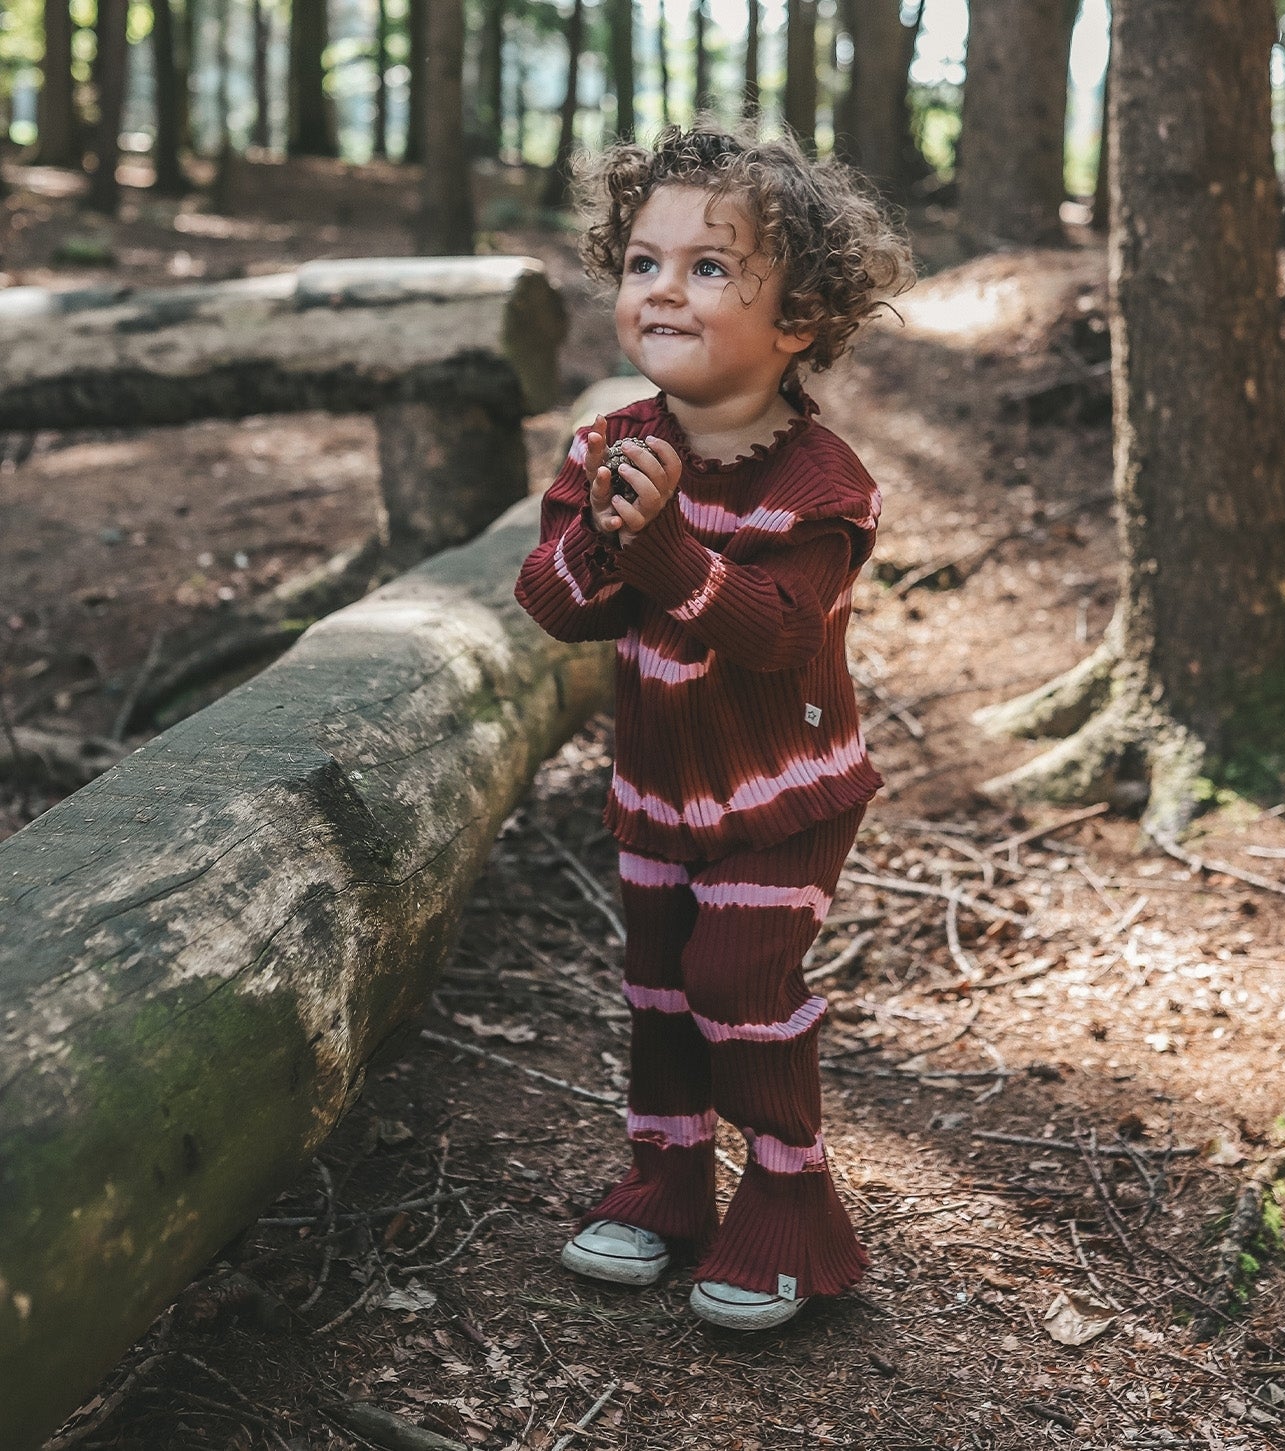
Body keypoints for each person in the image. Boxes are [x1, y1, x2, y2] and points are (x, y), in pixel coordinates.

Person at [514, 125, 912, 1331]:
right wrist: (604, 535)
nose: (662, 290)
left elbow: (776, 632)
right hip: (656, 792)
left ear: (797, 319)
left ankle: (792, 1198)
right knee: (659, 987)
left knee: (733, 977)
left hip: (781, 795)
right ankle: (668, 1178)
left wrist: (670, 548)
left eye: (707, 268)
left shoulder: (819, 484)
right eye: (644, 262)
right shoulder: (609, 447)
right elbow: (553, 603)